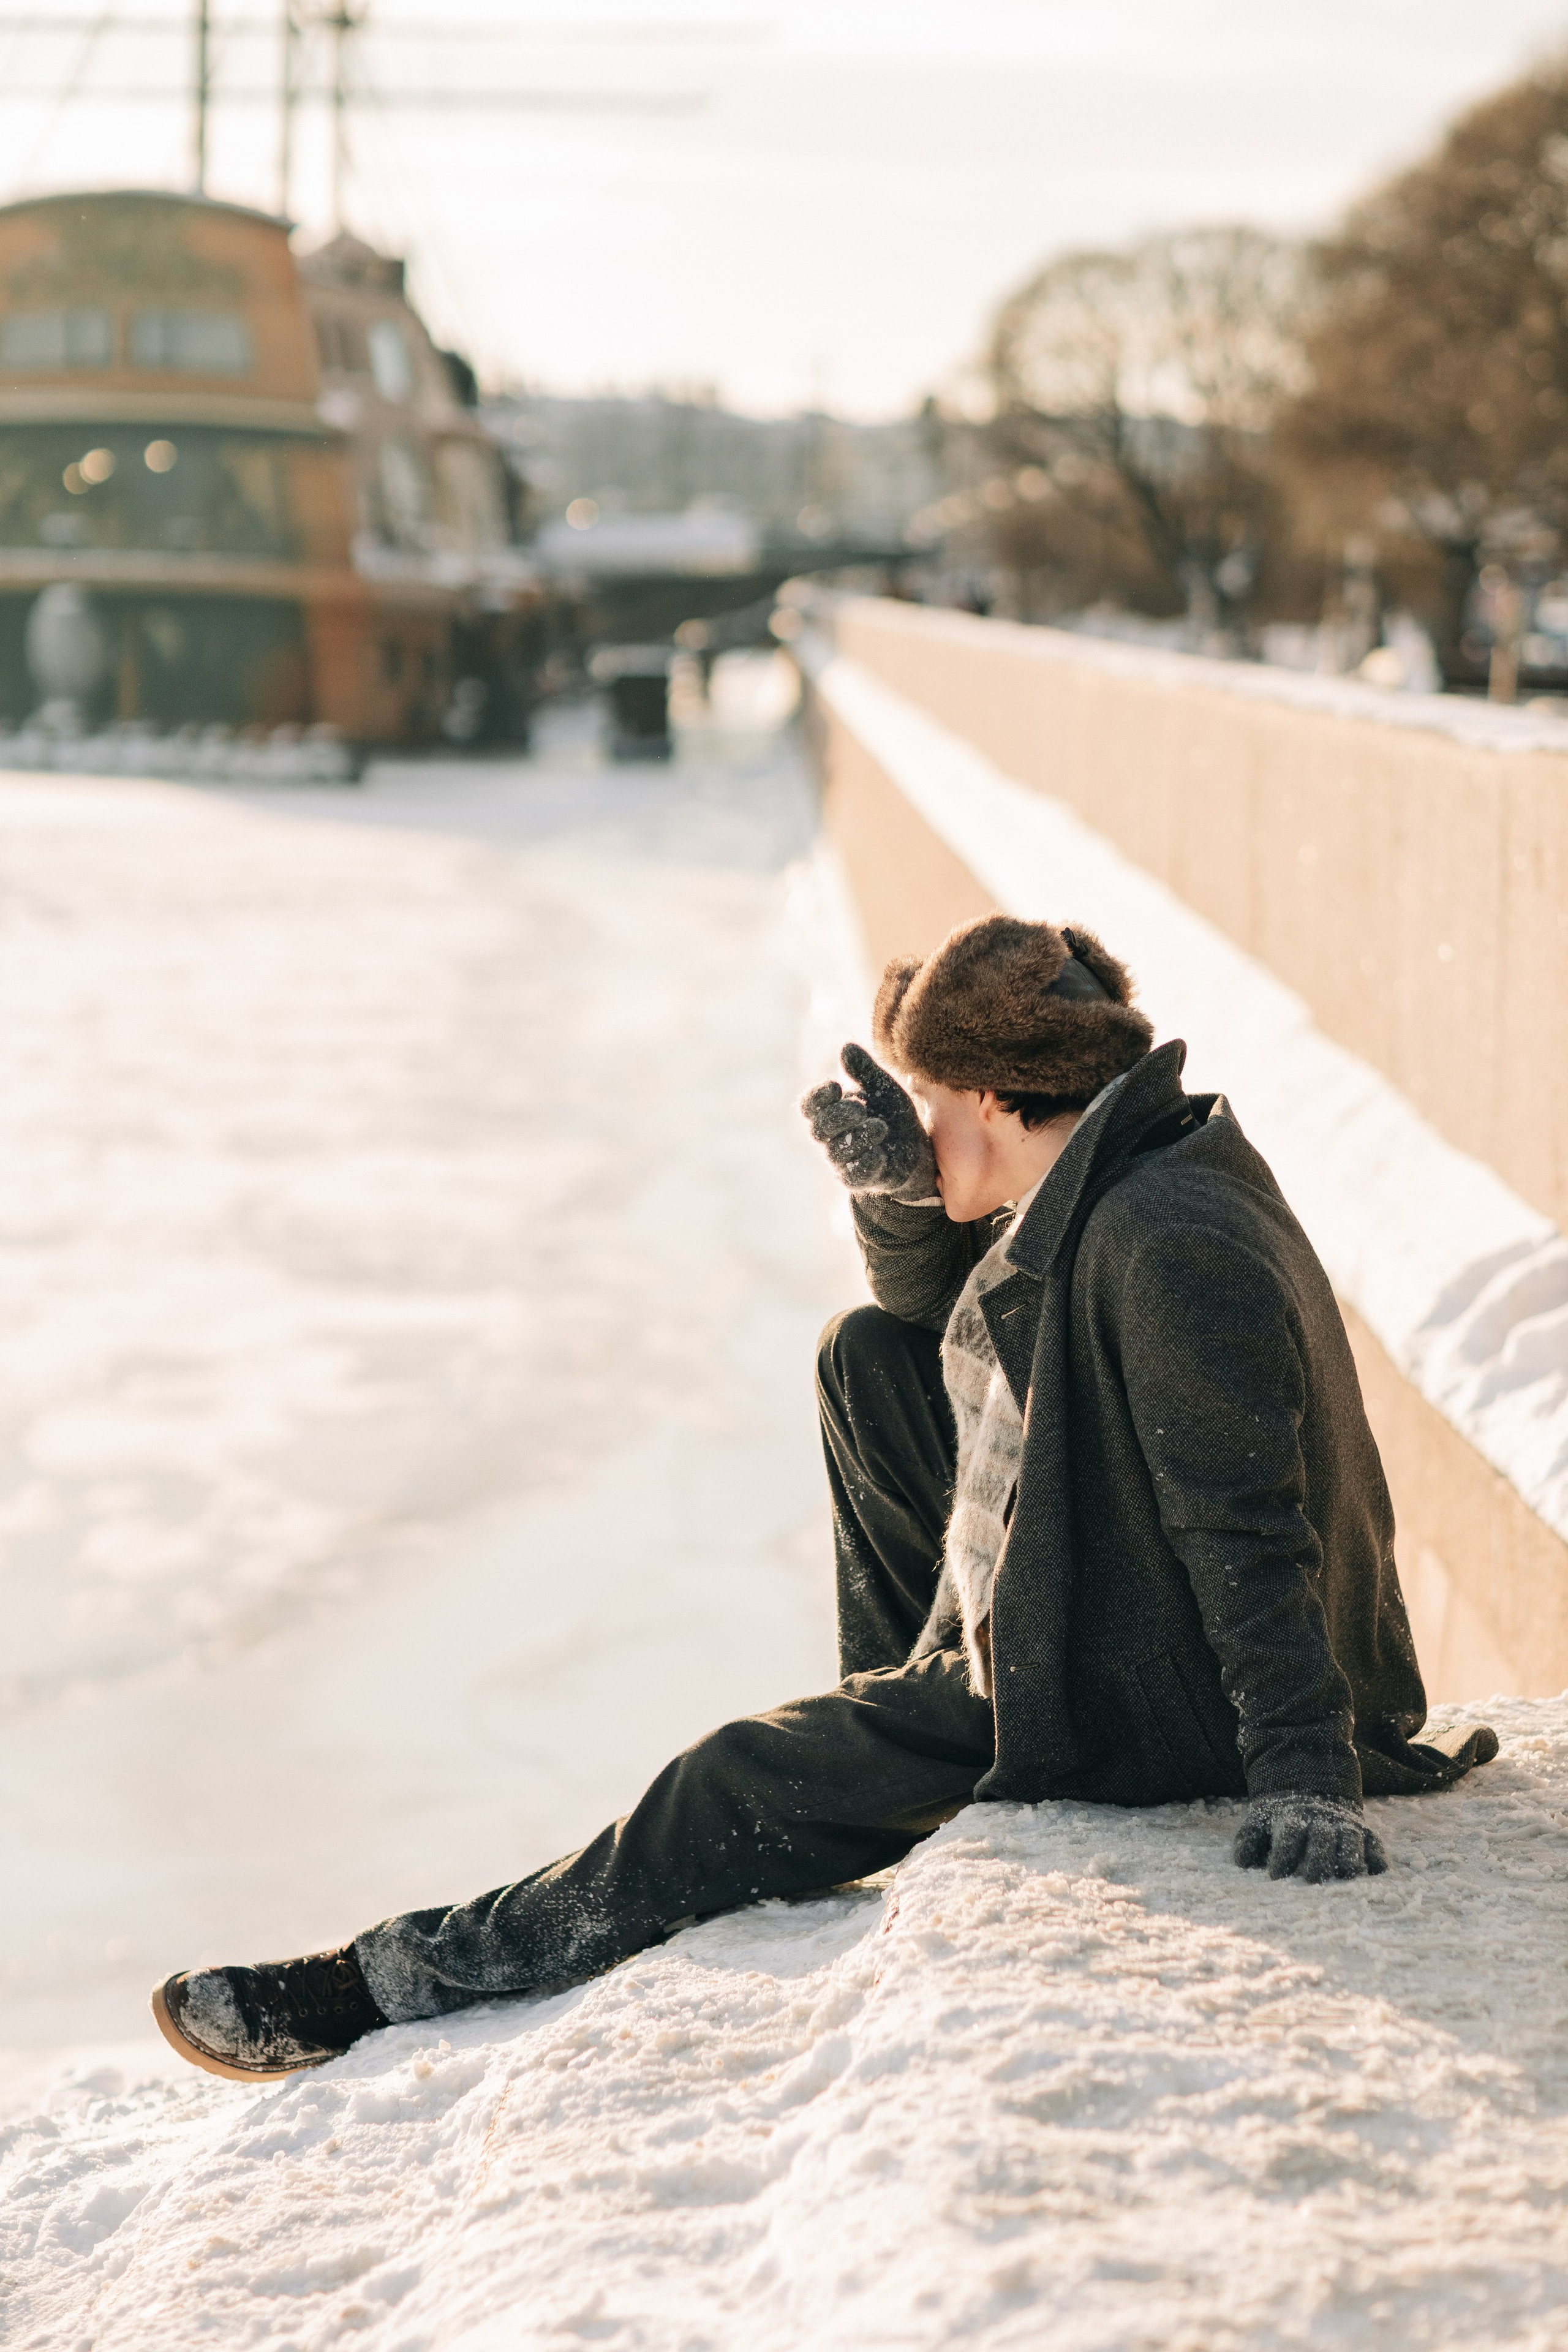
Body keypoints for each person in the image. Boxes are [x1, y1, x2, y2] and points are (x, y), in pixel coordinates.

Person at [151, 913, 1496, 2083]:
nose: (914, 1127)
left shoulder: (1164, 1245)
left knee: (726, 1779)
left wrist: (1308, 1771)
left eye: (925, 1098)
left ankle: (383, 1983)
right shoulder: (1130, 1174)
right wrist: (908, 1212)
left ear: (981, 1094)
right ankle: (895, 1725)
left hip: (1168, 1690)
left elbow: (1242, 1522)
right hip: (1112, 1594)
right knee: (864, 1358)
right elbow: (977, 1353)